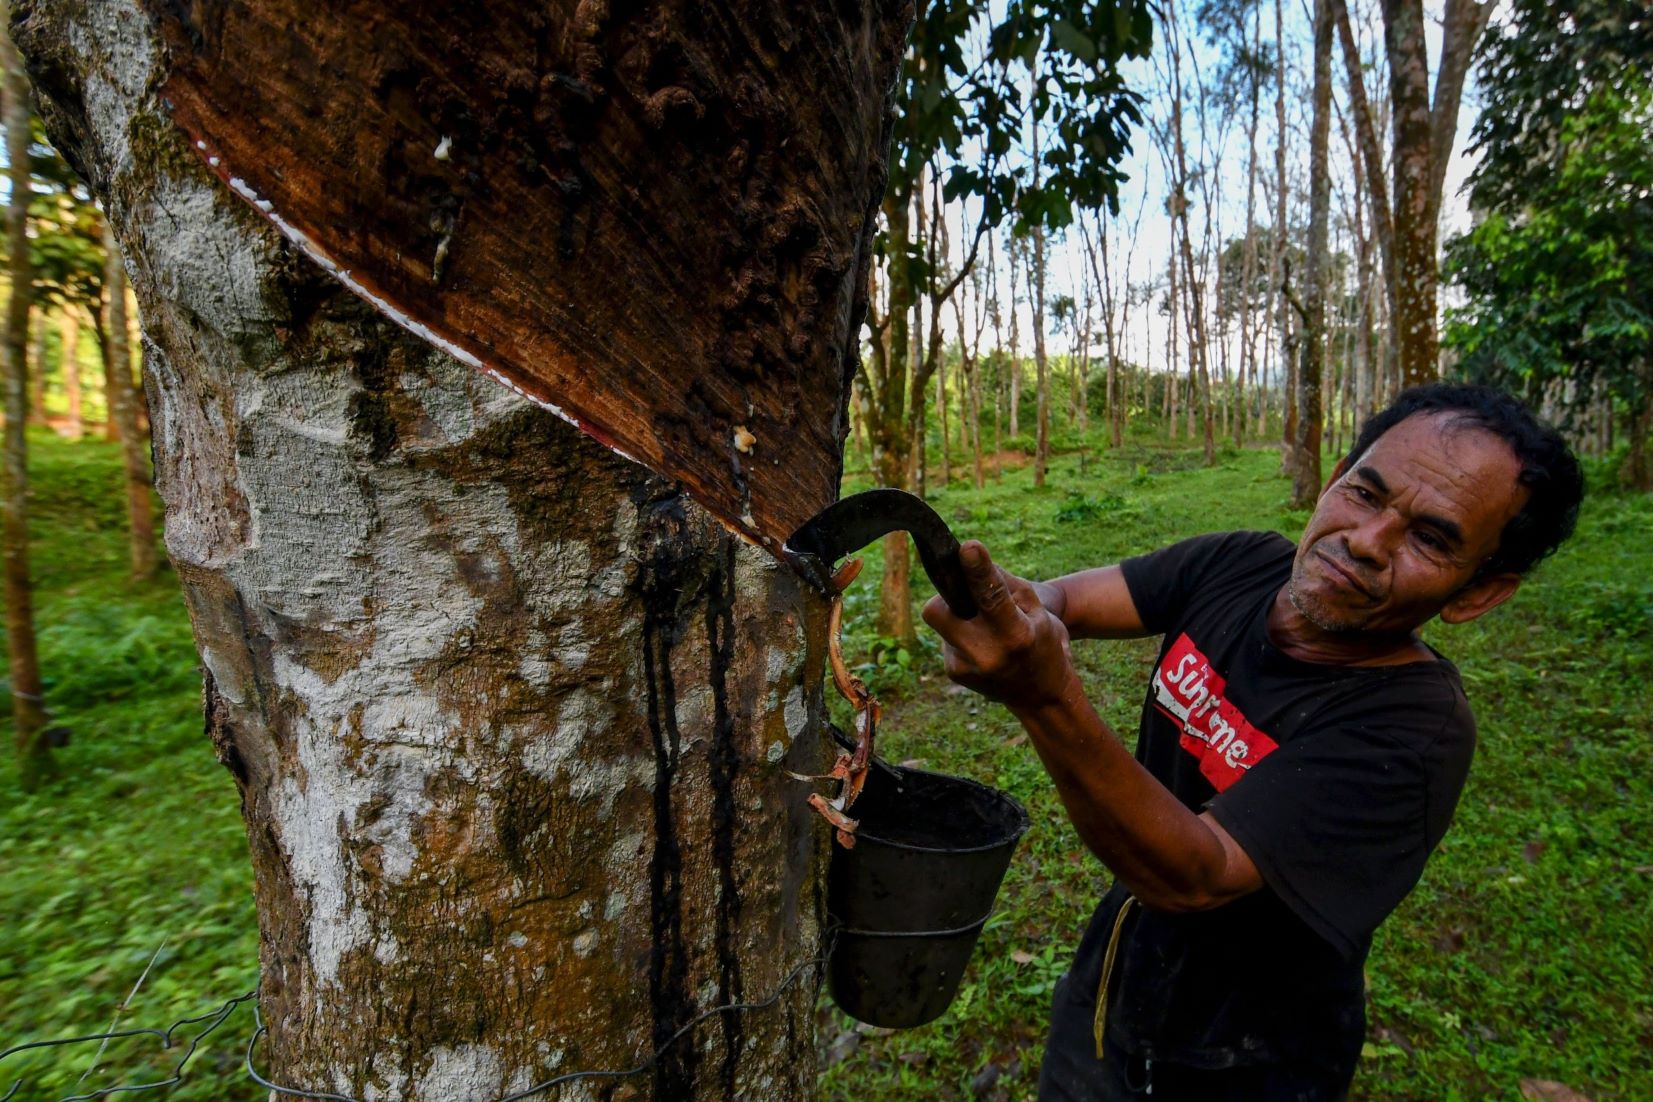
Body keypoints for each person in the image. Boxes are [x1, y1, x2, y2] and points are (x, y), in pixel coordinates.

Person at [921, 384, 1584, 1100]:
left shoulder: (1415, 729)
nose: (1365, 541)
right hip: (1118, 971)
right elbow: (1070, 599)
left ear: (1476, 593)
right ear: (1332, 482)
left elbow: (1193, 875)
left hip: (1253, 1055)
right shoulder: (1239, 563)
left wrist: (1045, 695)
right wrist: (1019, 610)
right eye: (1364, 494)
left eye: (1429, 537)